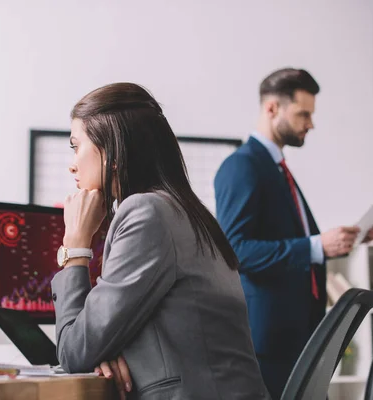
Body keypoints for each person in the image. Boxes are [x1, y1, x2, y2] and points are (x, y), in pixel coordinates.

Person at [50, 82, 270, 399]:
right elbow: (98, 340)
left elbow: (74, 352)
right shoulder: (186, 213)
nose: (72, 163)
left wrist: (76, 245)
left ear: (112, 152)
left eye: (76, 146)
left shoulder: (145, 213)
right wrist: (107, 347)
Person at [213, 67, 373, 399]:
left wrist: (347, 241)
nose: (311, 123)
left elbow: (294, 241)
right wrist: (318, 246)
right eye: (303, 113)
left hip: (298, 336)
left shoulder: (277, 169)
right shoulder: (242, 166)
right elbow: (235, 251)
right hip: (270, 343)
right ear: (272, 108)